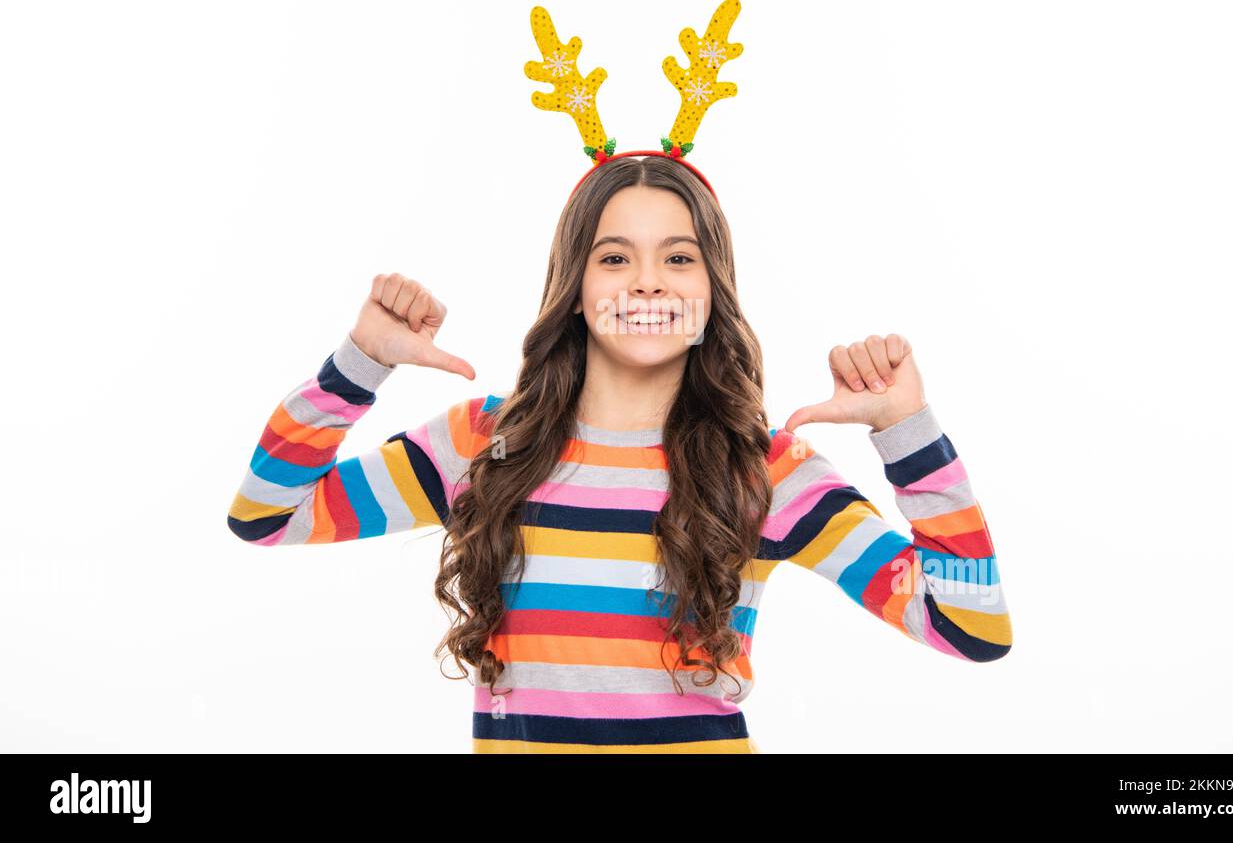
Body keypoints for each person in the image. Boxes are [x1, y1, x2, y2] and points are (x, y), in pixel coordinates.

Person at [226, 154, 1013, 753]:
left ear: (715, 289)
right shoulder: (484, 444)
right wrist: (362, 361)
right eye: (613, 257)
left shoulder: (765, 473)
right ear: (574, 287)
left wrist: (906, 429)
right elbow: (268, 513)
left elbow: (969, 623)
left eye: (678, 258)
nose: (646, 282)